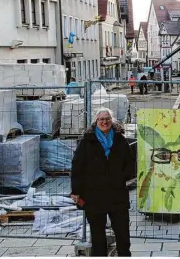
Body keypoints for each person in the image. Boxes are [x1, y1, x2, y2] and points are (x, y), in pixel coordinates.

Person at [71, 108, 134, 257]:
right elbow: (77, 166)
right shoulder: (87, 141)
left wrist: (122, 178)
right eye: (101, 119)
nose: (104, 122)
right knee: (97, 234)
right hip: (94, 194)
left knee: (122, 232)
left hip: (117, 193)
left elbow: (130, 162)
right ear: (96, 121)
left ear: (112, 121)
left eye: (107, 119)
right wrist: (75, 190)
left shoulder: (120, 139)